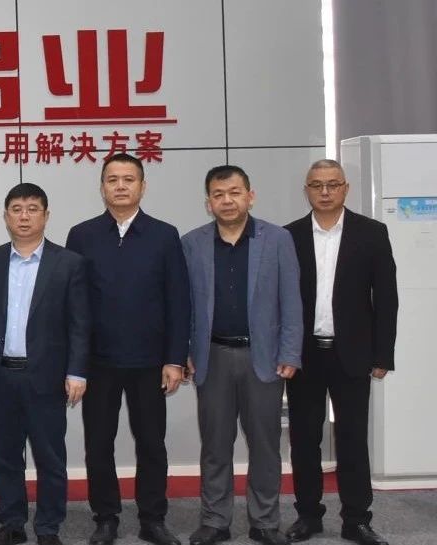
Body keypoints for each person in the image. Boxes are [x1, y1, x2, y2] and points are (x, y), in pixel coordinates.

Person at [64, 153, 187, 545]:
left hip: (150, 362)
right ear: (102, 187)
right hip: (98, 361)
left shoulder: (164, 235)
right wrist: (74, 363)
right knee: (98, 444)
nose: (120, 186)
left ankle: (153, 518)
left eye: (128, 179)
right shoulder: (82, 235)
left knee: (151, 442)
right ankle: (106, 517)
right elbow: (72, 304)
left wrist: (174, 358)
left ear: (142, 186)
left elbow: (178, 301)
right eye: (112, 179)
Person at [181, 166, 301, 545]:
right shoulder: (192, 243)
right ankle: (215, 521)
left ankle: (264, 521)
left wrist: (290, 351)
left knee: (265, 445)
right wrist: (185, 351)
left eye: (234, 192)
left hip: (262, 358)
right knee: (215, 445)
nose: (227, 200)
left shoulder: (277, 239)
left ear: (250, 195)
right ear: (208, 202)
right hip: (212, 356)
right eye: (218, 194)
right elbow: (185, 305)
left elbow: (291, 300)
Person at [283, 159, 397, 545]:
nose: (325, 192)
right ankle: (308, 515)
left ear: (346, 188)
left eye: (333, 184)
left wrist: (382, 355)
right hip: (304, 355)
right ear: (306, 190)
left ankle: (356, 520)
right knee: (304, 439)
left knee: (352, 439)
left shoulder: (372, 233)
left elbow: (386, 298)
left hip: (353, 354)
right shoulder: (290, 236)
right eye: (317, 185)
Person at [0, 182, 89, 545]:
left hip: (47, 377)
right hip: (1, 375)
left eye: (33, 209)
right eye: (17, 209)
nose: (24, 216)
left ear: (46, 215)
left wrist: (77, 371)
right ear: (6, 216)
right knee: (5, 456)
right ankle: (12, 523)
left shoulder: (68, 263)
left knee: (50, 457)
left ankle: (48, 527)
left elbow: (80, 323)